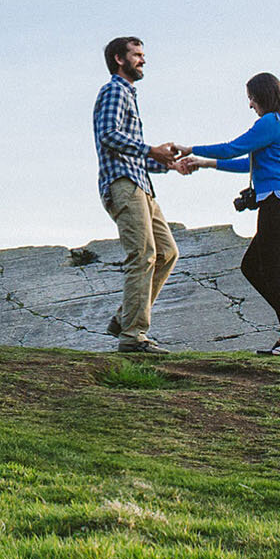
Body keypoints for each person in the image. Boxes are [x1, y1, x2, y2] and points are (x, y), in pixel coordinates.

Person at [176, 73, 280, 356]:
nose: (250, 104)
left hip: (279, 202)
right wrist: (204, 163)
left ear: (262, 96)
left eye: (251, 97)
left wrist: (190, 148)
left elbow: (232, 148)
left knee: (273, 273)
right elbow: (248, 164)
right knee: (251, 266)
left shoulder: (270, 121)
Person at [93, 36, 185, 355]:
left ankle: (125, 317)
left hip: (142, 184)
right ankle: (133, 336)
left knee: (167, 252)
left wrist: (169, 163)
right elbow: (108, 136)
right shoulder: (114, 90)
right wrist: (150, 149)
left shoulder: (129, 95)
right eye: (137, 54)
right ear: (120, 59)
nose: (143, 60)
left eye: (143, 54)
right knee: (143, 253)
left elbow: (133, 153)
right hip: (123, 184)